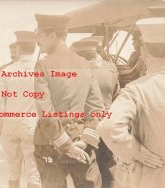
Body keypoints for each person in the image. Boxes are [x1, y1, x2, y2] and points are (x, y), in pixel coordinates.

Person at [33, 14, 105, 188]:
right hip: (81, 142)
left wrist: (65, 144)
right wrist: (85, 140)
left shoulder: (43, 65)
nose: (37, 41)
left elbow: (46, 111)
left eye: (39, 35)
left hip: (50, 144)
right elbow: (97, 109)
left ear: (52, 36)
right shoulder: (85, 64)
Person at [97, 17, 165, 188]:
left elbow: (108, 126)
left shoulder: (136, 90)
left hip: (153, 177)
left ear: (144, 51)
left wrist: (135, 151)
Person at [0, 31, 41, 188]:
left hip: (10, 125)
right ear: (34, 48)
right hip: (32, 126)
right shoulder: (41, 69)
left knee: (13, 170)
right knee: (34, 171)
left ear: (18, 48)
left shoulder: (7, 71)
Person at [71, 37, 120, 188]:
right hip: (107, 123)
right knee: (108, 167)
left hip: (87, 128)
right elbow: (117, 96)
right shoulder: (111, 69)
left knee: (87, 171)